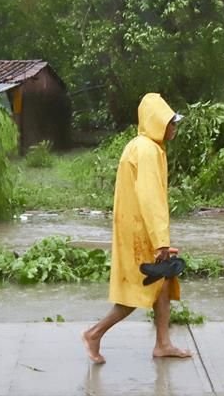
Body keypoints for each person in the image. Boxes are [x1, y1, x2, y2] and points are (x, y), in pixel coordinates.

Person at [82, 93, 192, 364]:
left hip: (138, 229)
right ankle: (94, 334)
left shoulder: (142, 146)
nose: (174, 127)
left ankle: (163, 343)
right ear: (158, 122)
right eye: (171, 122)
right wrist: (160, 241)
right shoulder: (147, 151)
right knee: (137, 290)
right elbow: (150, 197)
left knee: (163, 282)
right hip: (140, 234)